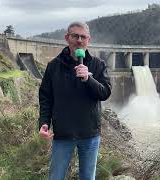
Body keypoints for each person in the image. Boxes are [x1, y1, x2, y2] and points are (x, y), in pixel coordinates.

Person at [38, 21, 111, 180]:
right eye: (75, 36)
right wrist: (44, 121)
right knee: (56, 176)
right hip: (63, 134)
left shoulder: (98, 65)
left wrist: (88, 79)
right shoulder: (54, 66)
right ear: (67, 38)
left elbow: (105, 93)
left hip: (89, 134)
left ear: (88, 40)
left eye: (83, 37)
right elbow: (45, 97)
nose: (79, 40)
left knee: (87, 177)